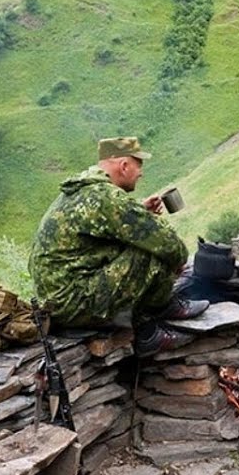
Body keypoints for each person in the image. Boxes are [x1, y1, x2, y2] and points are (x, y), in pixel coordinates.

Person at [29, 136, 207, 354]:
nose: (141, 173)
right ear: (124, 166)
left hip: (57, 303)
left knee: (140, 244)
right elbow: (168, 244)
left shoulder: (81, 190)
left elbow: (99, 232)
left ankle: (157, 312)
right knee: (152, 250)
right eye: (138, 166)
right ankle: (151, 327)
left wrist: (140, 211)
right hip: (75, 305)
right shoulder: (106, 197)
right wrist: (178, 262)